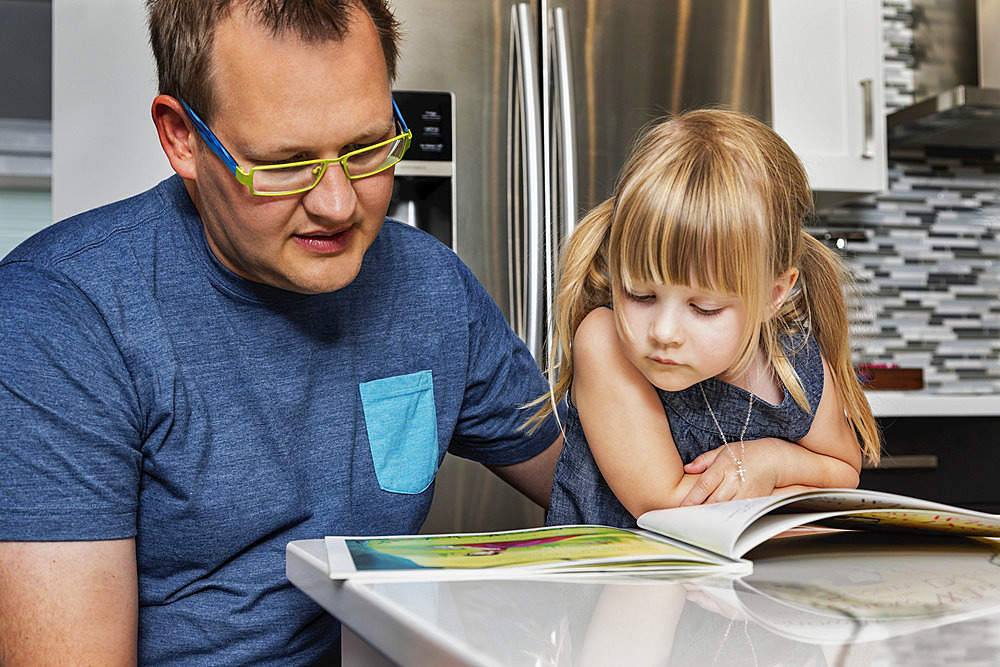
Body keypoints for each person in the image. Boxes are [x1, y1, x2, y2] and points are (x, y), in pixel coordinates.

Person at [0, 1, 563, 663]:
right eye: (287, 161)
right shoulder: (61, 316)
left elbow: (598, 484)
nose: (338, 203)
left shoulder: (431, 287)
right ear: (182, 135)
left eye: (366, 149)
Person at [531, 109, 880, 529]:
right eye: (640, 295)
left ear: (774, 295)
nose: (663, 332)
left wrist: (771, 461)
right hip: (619, 586)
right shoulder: (605, 343)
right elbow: (672, 511)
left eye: (704, 308)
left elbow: (844, 474)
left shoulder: (794, 361)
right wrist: (793, 490)